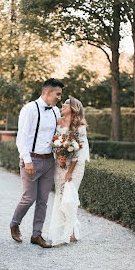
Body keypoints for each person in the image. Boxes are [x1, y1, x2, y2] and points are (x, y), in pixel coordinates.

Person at [10, 78, 64, 248]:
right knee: (28, 198)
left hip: (49, 161)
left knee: (43, 200)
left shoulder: (56, 111)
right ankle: (14, 223)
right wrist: (27, 161)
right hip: (31, 160)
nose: (59, 98)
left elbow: (59, 135)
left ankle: (37, 235)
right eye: (58, 94)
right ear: (47, 92)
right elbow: (22, 138)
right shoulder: (29, 109)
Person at [48, 97, 90, 247]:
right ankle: (69, 232)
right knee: (60, 196)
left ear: (73, 107)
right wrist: (59, 154)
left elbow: (79, 152)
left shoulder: (80, 126)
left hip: (75, 167)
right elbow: (54, 141)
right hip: (59, 164)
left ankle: (65, 235)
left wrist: (70, 172)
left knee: (69, 197)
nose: (62, 105)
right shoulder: (58, 121)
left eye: (65, 103)